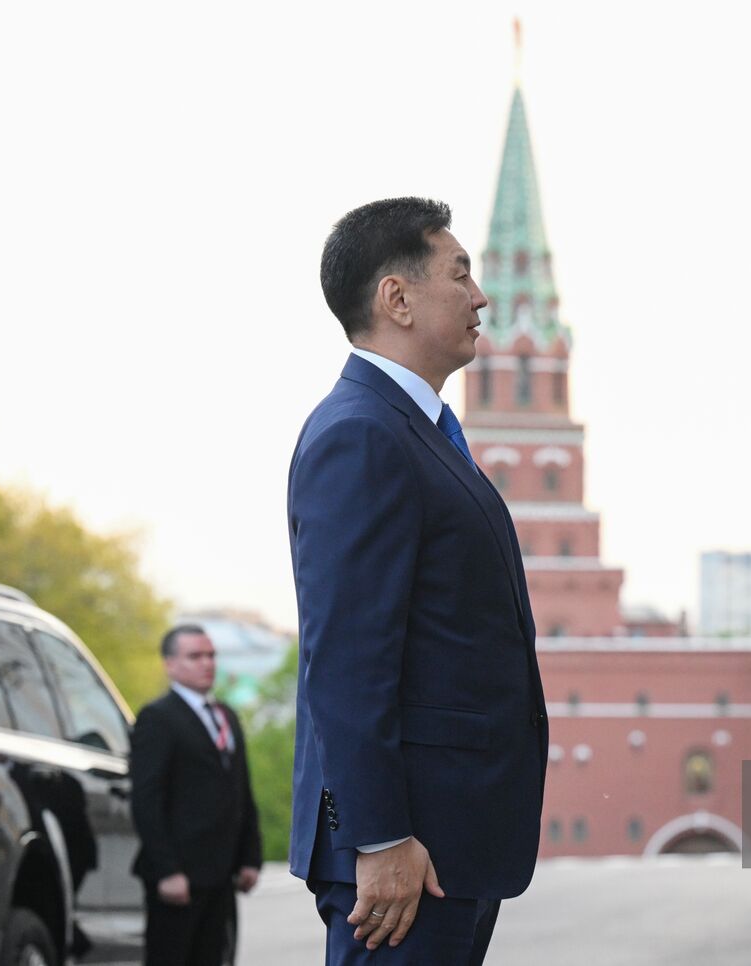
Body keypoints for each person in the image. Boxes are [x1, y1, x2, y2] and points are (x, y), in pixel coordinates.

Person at [288, 197, 548, 965]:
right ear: (396, 298)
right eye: (460, 274)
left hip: (449, 841)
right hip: (406, 854)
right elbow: (347, 658)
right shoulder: (362, 435)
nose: (480, 297)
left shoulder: (417, 431)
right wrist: (382, 836)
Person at [130, 624, 261, 966]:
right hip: (179, 876)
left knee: (216, 957)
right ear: (170, 664)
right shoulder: (157, 718)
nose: (207, 663)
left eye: (211, 655)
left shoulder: (225, 716)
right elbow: (146, 799)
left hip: (222, 873)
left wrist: (250, 856)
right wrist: (167, 870)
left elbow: (240, 790)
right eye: (195, 656)